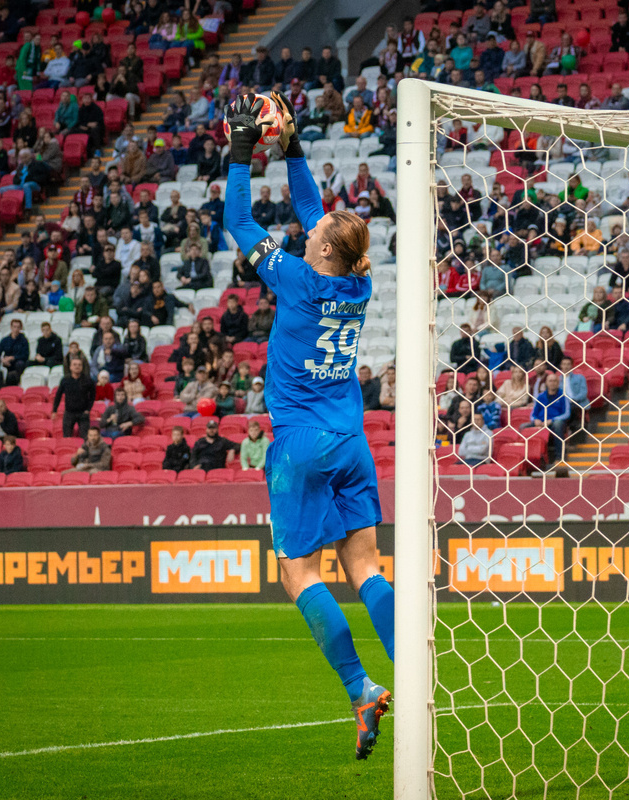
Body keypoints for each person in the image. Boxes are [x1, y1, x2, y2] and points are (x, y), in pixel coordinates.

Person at [223, 93, 392, 757]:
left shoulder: (293, 278)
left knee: (297, 574)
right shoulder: (356, 284)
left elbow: (239, 218)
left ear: (319, 250)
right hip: (351, 439)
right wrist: (289, 144)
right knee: (364, 565)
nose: (309, 230)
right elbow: (313, 212)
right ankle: (412, 672)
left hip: (300, 446)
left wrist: (243, 144)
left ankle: (358, 687)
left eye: (316, 234)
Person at [53, 358, 97, 438]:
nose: (77, 367)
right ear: (70, 367)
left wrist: (88, 409)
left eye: (79, 365)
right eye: (75, 365)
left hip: (83, 413)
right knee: (67, 437)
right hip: (69, 413)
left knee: (86, 438)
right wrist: (54, 410)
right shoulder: (65, 380)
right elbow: (58, 395)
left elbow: (93, 396)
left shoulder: (88, 380)